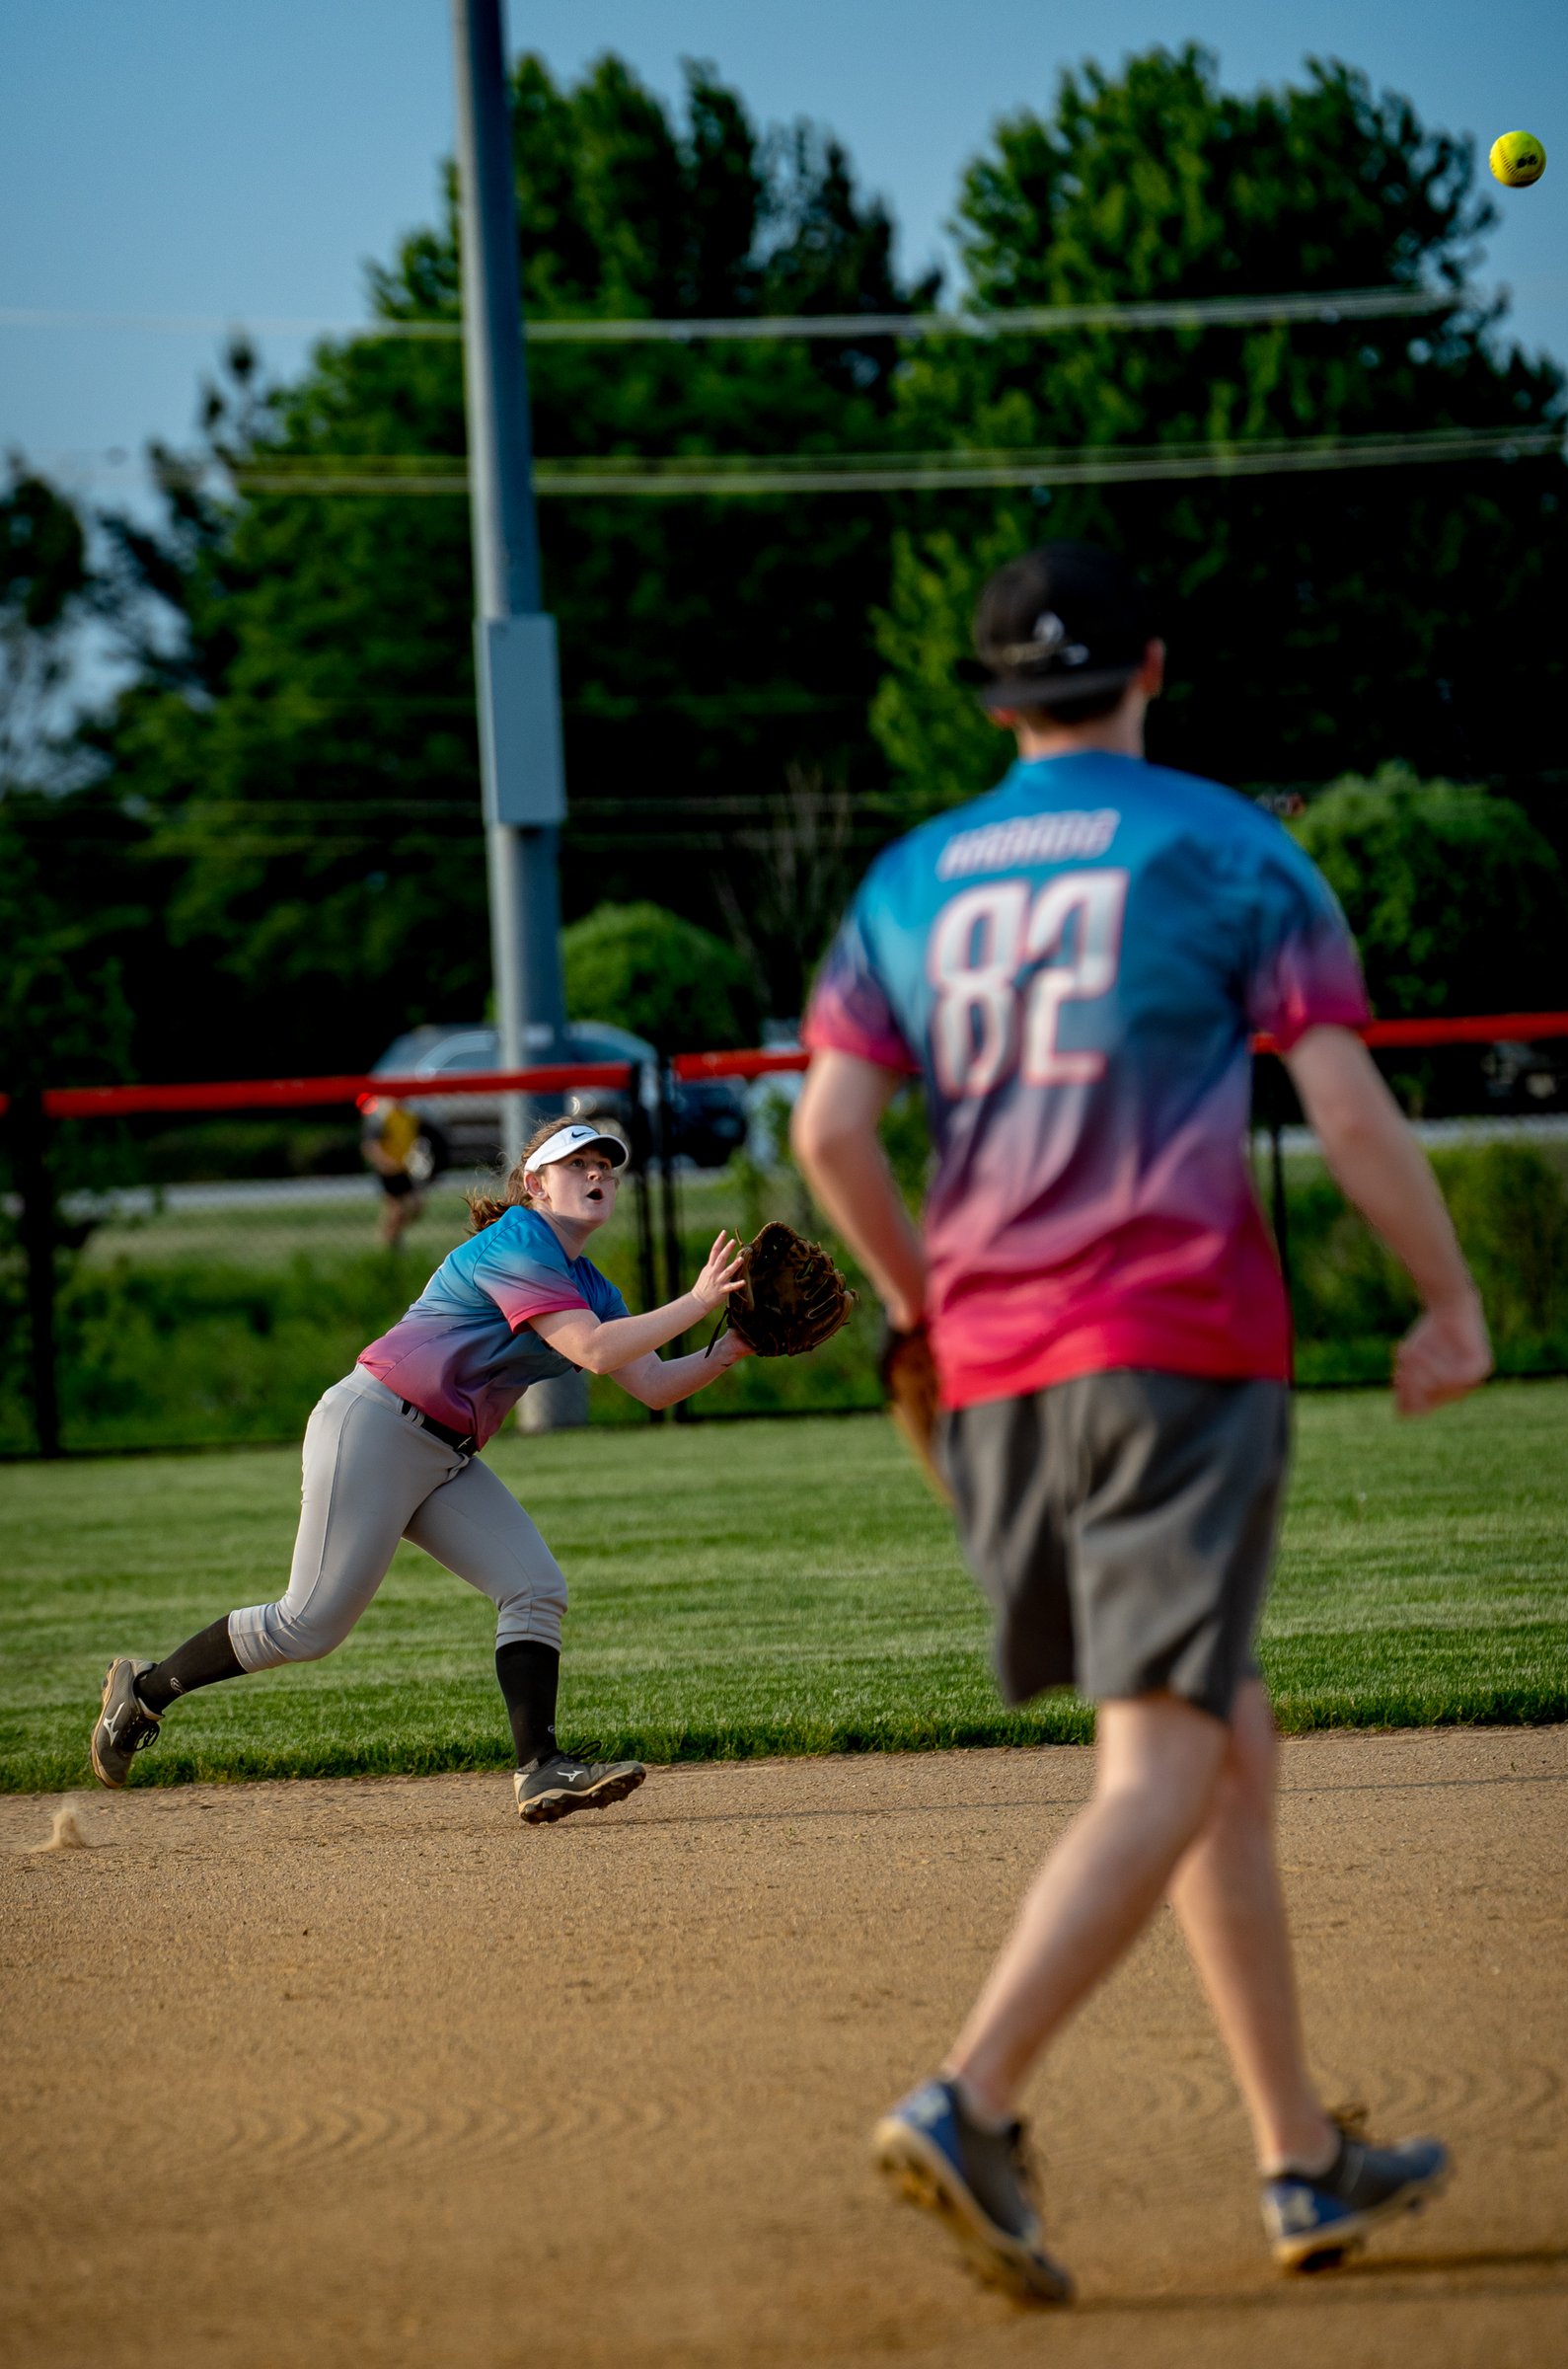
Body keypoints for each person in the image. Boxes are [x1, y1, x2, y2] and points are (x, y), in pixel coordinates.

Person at [791, 541, 1491, 2302]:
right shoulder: (1231, 847)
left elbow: (830, 1136)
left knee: (1226, 1736)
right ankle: (972, 2097)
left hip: (996, 1368)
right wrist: (1451, 1299)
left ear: (993, 698)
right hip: (1173, 1341)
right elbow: (1339, 1103)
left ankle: (1300, 2162)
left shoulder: (913, 878)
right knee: (1170, 1756)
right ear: (1151, 669)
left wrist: (918, 1301)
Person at [91, 1118, 752, 1824]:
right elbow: (591, 1350)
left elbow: (648, 1383)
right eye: (576, 1163)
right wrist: (696, 1303)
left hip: (442, 1456)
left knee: (534, 1587)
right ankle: (146, 1692)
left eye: (607, 1167)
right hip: (374, 1426)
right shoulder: (519, 1240)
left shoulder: (592, 1284)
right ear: (535, 1184)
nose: (596, 1176)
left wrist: (730, 1348)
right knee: (307, 1627)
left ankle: (540, 1770)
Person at [359, 1094, 429, 1247]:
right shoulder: (382, 1116)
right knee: (395, 1209)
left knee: (416, 1206)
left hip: (403, 1168)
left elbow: (418, 1139)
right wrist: (383, 1162)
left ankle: (392, 1234)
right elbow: (371, 1145)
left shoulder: (409, 1117)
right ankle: (388, 1240)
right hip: (387, 1169)